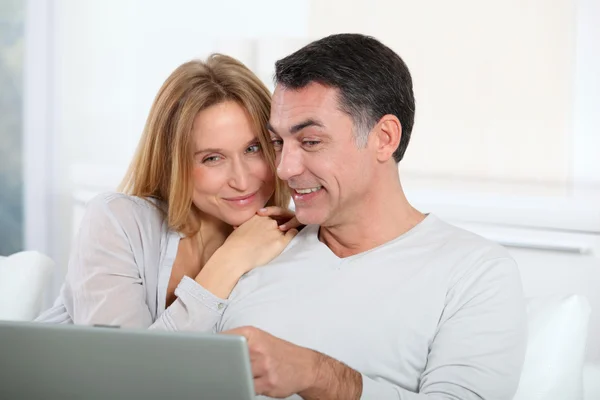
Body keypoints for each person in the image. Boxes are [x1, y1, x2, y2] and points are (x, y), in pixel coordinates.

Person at [216, 34, 528, 399]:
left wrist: (317, 374)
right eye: (278, 143)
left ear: (384, 138)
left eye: (311, 142)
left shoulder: (475, 273)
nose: (284, 169)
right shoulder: (256, 246)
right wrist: (226, 261)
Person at [36, 54, 300, 330]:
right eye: (212, 158)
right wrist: (230, 261)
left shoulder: (286, 240)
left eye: (253, 148)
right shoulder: (118, 222)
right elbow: (117, 367)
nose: (243, 180)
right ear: (173, 164)